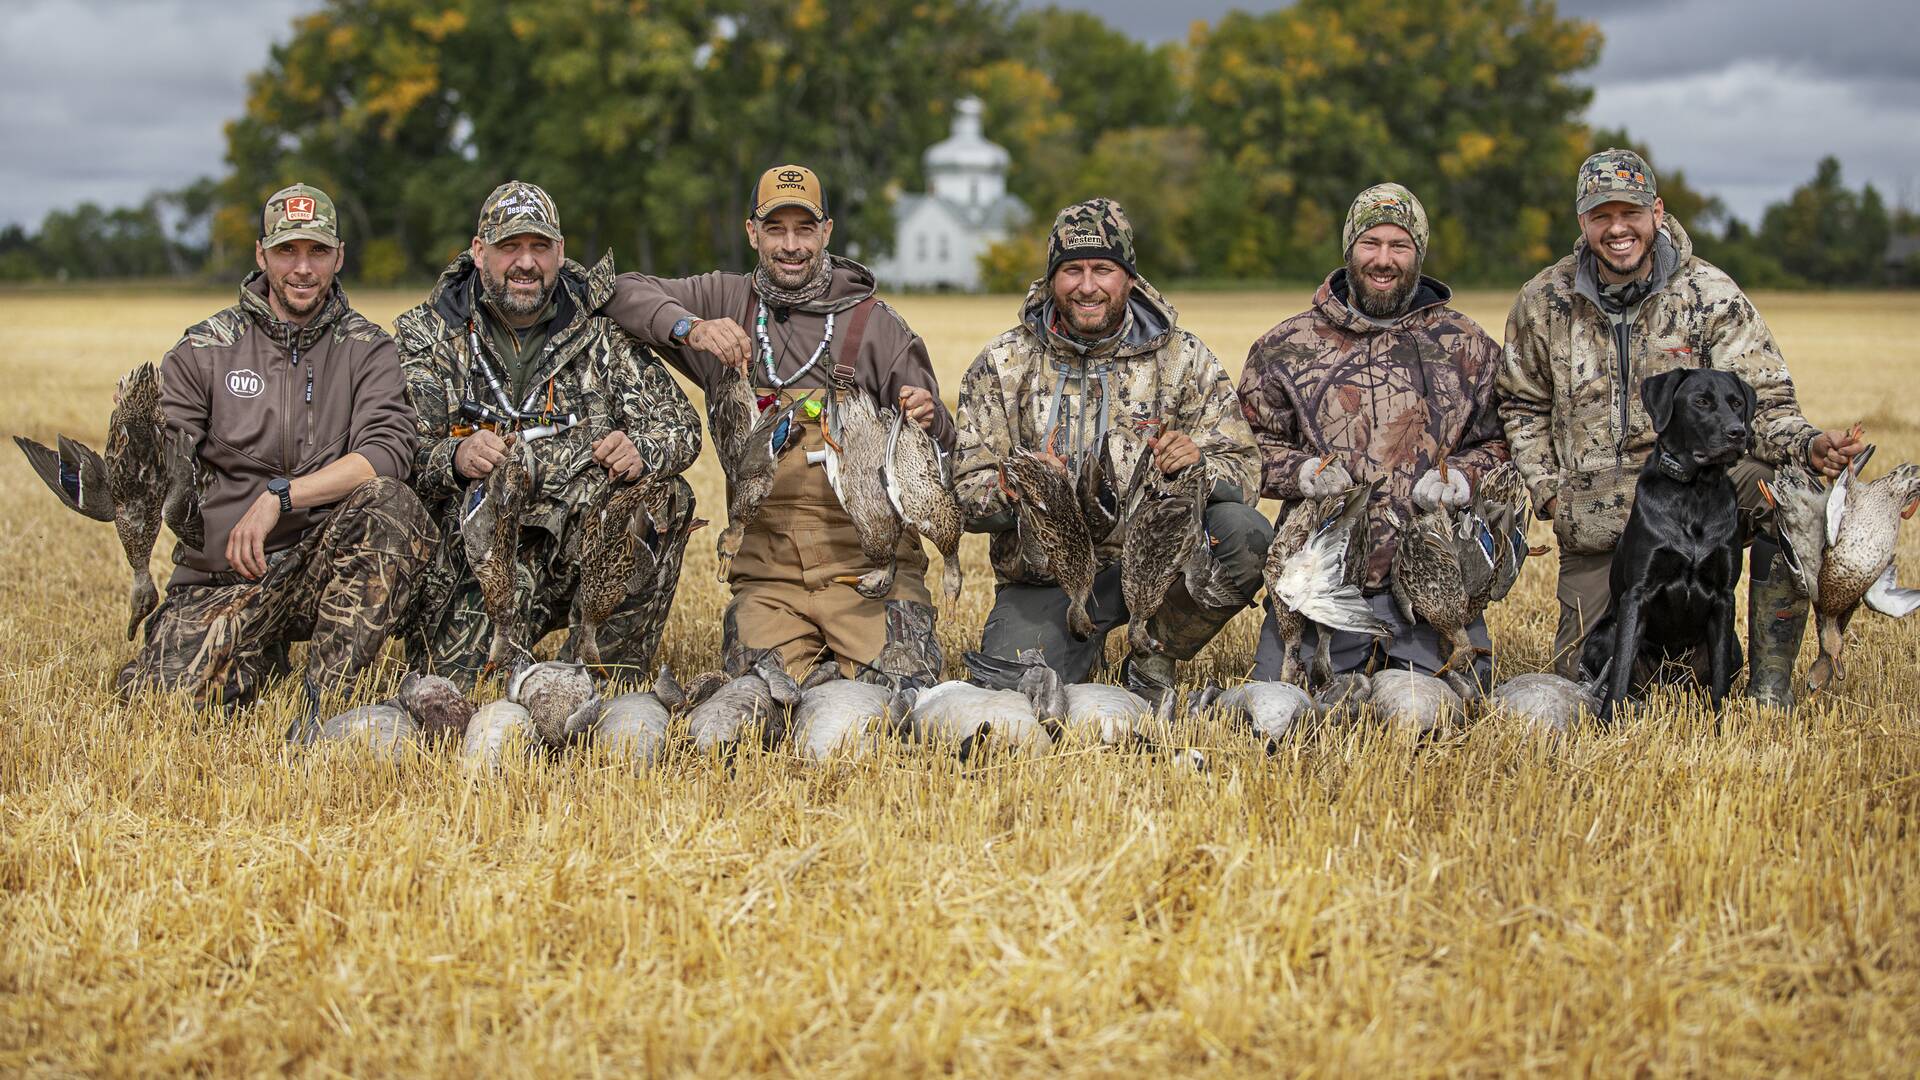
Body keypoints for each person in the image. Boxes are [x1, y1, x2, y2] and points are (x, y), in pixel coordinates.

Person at [1499, 148, 1864, 707]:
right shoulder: (1544, 301)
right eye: (1602, 215)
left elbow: (1761, 403)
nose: (1617, 228)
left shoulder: (1710, 295)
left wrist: (1808, 445)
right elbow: (1521, 405)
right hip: (1598, 519)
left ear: (1658, 213)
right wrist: (1550, 492)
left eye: (1631, 213)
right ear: (1583, 222)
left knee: (1791, 491)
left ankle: (1768, 683)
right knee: (1586, 684)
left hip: (1702, 490)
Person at [600, 164, 953, 684]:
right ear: (752, 233)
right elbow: (619, 289)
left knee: (904, 698)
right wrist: (690, 328)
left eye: (805, 229)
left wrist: (930, 418)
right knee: (755, 702)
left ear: (827, 232)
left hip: (870, 572)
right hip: (769, 576)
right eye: (775, 229)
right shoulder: (724, 300)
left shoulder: (876, 325)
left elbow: (943, 451)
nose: (791, 245)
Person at [118, 183, 433, 714]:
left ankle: (328, 702)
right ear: (261, 254)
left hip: (317, 570)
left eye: (317, 251)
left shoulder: (367, 348)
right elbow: (162, 457)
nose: (302, 268)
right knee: (165, 705)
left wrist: (280, 497)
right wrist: (134, 428)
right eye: (287, 250)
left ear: (338, 257)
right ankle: (248, 652)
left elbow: (386, 453)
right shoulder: (205, 348)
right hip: (221, 575)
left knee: (391, 505)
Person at [951, 197, 1269, 696]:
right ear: (1051, 279)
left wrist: (1199, 464)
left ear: (1129, 278)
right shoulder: (1004, 363)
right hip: (1048, 579)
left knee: (1243, 534)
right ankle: (1071, 641)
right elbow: (965, 493)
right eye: (1071, 270)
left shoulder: (1184, 360)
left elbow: (1248, 472)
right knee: (1015, 695)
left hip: (1160, 564)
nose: (1087, 286)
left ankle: (1153, 655)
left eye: (1103, 269)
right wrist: (1020, 487)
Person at [396, 180, 702, 684]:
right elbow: (401, 449)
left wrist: (641, 449)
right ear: (478, 252)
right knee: (456, 686)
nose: (526, 262)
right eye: (509, 247)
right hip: (478, 554)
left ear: (559, 252)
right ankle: (495, 646)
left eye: (539, 247)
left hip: (581, 548)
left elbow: (682, 426)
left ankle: (605, 667)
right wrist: (453, 455)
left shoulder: (602, 330)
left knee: (665, 496)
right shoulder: (429, 334)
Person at [1238, 183, 1508, 684]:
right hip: (1321, 581)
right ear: (1349, 250)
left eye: (1399, 246)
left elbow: (1506, 442)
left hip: (1431, 582)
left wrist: (1466, 476)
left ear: (1418, 254)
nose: (1384, 259)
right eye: (1371, 244)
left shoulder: (1467, 346)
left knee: (1437, 716)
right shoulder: (1286, 346)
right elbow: (1246, 448)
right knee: (1281, 713)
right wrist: (1299, 472)